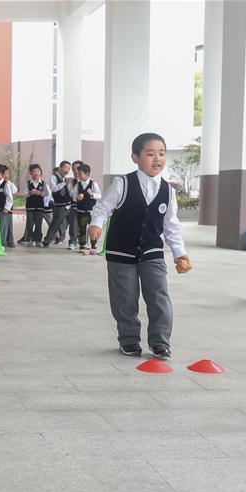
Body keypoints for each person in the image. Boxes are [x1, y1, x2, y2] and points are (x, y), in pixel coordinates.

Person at [87, 133, 191, 360]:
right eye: (150, 153)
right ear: (135, 157)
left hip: (152, 251)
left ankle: (160, 343)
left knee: (159, 296)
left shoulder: (168, 190)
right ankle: (129, 340)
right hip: (120, 251)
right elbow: (103, 207)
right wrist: (96, 224)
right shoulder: (122, 183)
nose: (157, 158)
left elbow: (171, 225)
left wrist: (180, 254)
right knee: (125, 298)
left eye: (162, 153)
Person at [44, 160, 74, 248]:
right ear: (60, 168)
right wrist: (64, 183)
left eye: (68, 168)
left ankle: (73, 241)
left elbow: (69, 192)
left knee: (73, 224)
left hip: (69, 204)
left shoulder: (65, 179)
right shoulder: (53, 177)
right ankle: (47, 240)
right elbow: (54, 189)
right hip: (60, 205)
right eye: (65, 167)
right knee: (55, 223)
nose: (67, 170)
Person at [73, 163, 101, 251]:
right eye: (78, 173)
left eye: (80, 174)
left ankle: (93, 244)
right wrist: (77, 197)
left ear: (87, 174)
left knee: (92, 228)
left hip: (91, 211)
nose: (78, 175)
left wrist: (92, 194)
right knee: (82, 229)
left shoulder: (93, 184)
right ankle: (82, 245)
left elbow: (99, 195)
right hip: (81, 211)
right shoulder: (78, 185)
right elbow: (73, 195)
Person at [22, 164, 50, 247]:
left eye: (38, 171)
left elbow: (47, 193)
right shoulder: (28, 183)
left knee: (38, 224)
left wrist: (39, 193)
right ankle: (29, 239)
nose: (36, 173)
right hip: (30, 206)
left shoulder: (43, 183)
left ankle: (38, 240)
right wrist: (30, 193)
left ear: (40, 172)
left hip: (40, 207)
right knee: (30, 224)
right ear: (30, 173)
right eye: (33, 171)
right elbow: (24, 194)